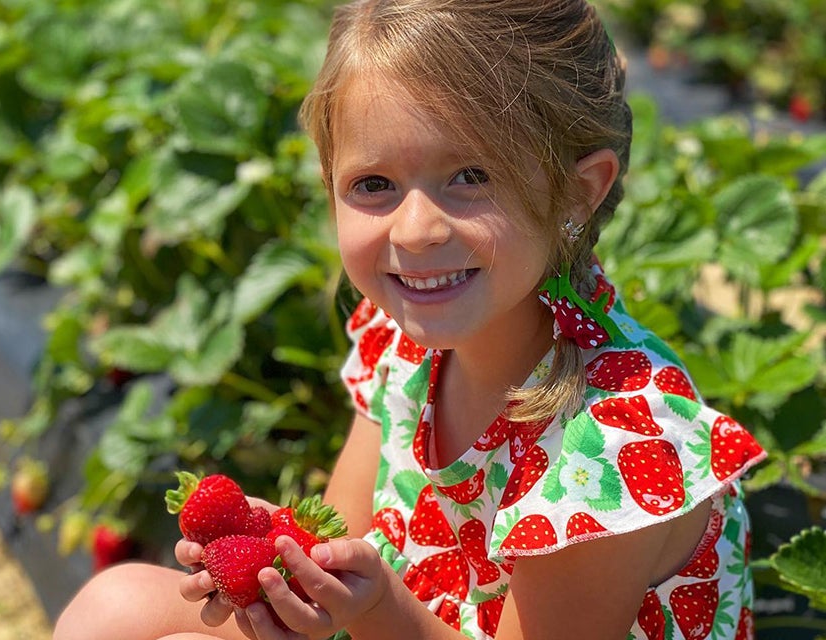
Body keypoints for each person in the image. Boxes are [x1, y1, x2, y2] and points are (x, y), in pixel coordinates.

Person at [53, 1, 767, 638]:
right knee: (112, 605)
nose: (416, 229)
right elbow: (344, 528)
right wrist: (283, 561)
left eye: (471, 176)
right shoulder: (405, 336)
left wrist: (375, 609)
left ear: (577, 193)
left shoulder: (610, 447)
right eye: (373, 185)